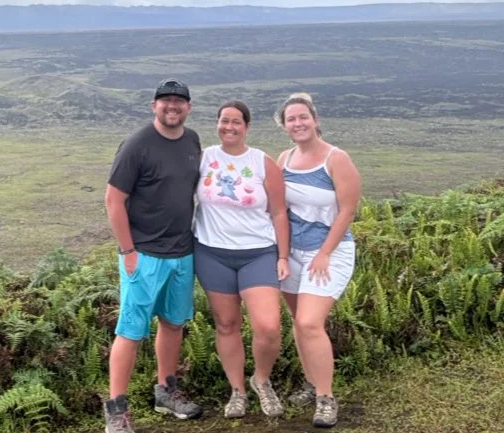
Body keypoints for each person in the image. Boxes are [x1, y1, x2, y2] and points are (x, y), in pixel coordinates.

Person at [103, 78, 204, 433]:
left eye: (179, 101)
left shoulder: (192, 140)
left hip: (181, 251)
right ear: (153, 106)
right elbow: (114, 200)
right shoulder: (137, 145)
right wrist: (128, 251)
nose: (172, 106)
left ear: (188, 107)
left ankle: (166, 390)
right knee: (130, 330)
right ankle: (116, 410)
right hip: (143, 254)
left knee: (173, 323)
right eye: (165, 101)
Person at [192, 100, 291, 419]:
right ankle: (237, 391)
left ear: (247, 127)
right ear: (217, 124)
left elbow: (278, 211)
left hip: (258, 253)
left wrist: (283, 254)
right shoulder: (204, 157)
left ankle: (261, 379)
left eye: (236, 122)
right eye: (224, 121)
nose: (229, 127)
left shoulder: (263, 162)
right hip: (211, 252)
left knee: (268, 326)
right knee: (226, 324)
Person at [275, 92, 361, 428]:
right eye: (291, 119)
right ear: (285, 126)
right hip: (292, 253)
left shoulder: (335, 159)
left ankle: (326, 397)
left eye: (302, 117)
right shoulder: (283, 159)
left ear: (315, 119)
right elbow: (279, 208)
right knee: (299, 322)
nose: (298, 123)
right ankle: (311, 383)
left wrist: (324, 252)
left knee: (310, 322)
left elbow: (348, 209)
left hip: (330, 252)